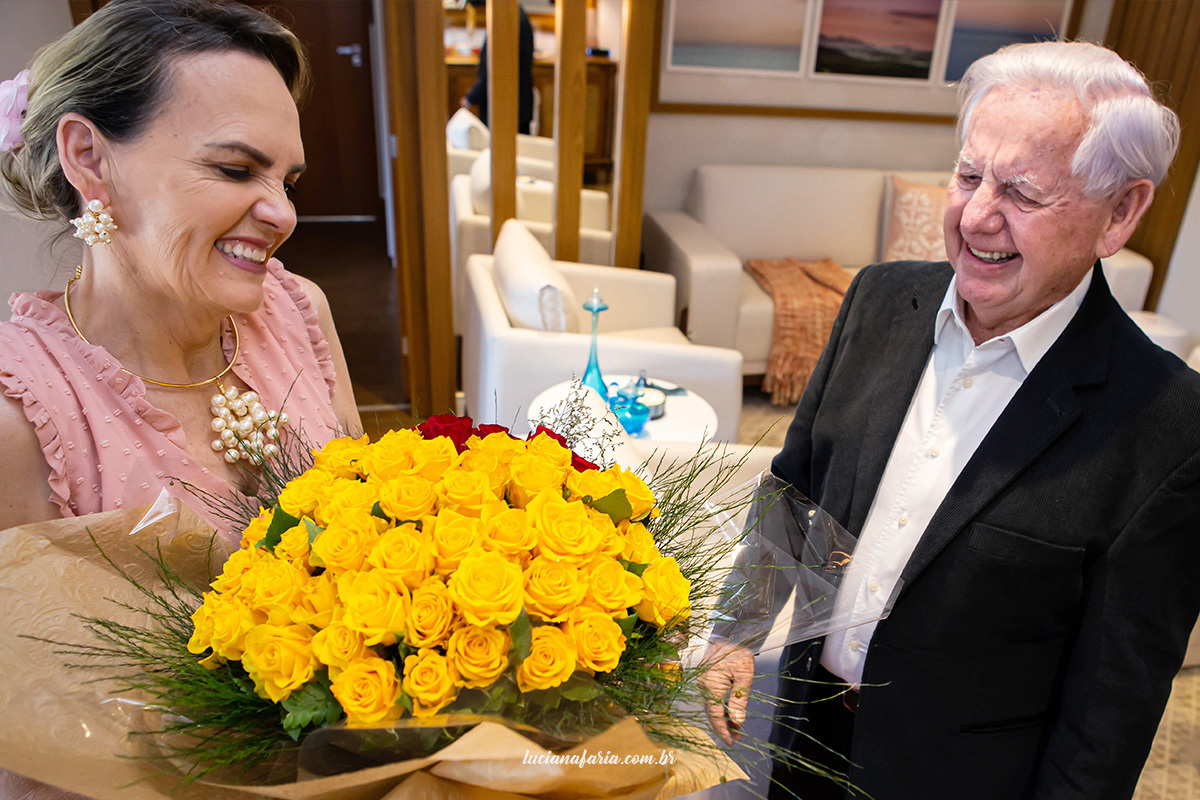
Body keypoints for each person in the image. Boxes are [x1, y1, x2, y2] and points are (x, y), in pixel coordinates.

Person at [702, 41, 1200, 800]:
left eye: (1024, 194)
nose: (975, 216)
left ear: (1120, 212)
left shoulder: (1167, 428)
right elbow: (792, 490)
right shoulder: (877, 301)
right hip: (805, 738)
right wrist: (737, 629)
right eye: (968, 176)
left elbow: (1110, 713)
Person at [0, 0, 362, 539]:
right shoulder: (21, 416)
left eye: (287, 183)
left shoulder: (300, 310)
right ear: (89, 158)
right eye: (235, 169)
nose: (284, 215)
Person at [461, 0, 535, 136]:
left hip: (505, 108)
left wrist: (471, 98)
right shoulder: (515, 14)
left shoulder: (507, 20)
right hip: (516, 106)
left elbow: (494, 71)